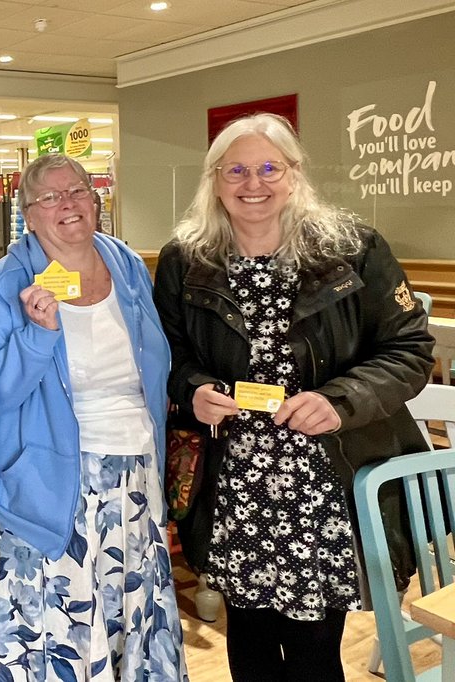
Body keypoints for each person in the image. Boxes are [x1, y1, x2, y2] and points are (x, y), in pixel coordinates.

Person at [152, 113, 435, 681]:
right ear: (214, 180)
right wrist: (193, 389)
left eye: (268, 168)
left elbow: (410, 350)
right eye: (235, 170)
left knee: (314, 649)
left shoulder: (351, 249)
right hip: (234, 478)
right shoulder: (186, 259)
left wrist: (339, 401)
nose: (252, 183)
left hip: (325, 476)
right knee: (248, 640)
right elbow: (169, 354)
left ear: (294, 173)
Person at [0, 153, 187, 681]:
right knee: (62, 629)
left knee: (129, 619)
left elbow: (154, 361)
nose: (68, 204)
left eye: (78, 191)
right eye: (50, 197)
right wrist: (37, 336)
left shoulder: (124, 263)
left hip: (133, 475)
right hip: (50, 484)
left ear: (96, 201)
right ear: (28, 216)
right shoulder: (4, 283)